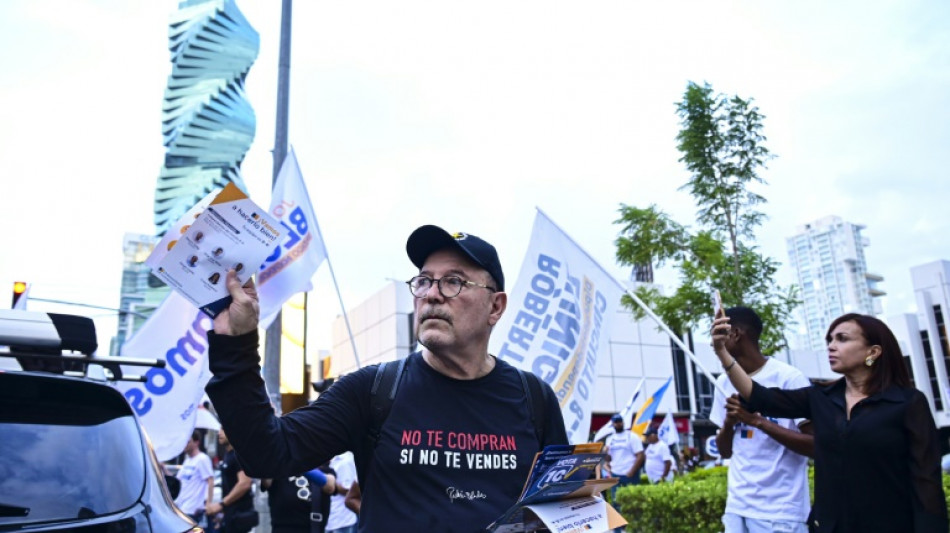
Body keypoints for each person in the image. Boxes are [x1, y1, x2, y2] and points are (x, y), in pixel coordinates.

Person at [205, 225, 568, 532]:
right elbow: (268, 454)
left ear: (496, 306)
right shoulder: (372, 390)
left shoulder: (534, 398)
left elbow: (563, 509)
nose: (432, 294)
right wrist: (234, 344)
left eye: (454, 282)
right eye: (424, 281)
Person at [712, 311, 948, 532]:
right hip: (830, 525)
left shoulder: (907, 403)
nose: (831, 346)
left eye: (842, 339)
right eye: (829, 340)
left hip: (889, 523)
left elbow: (926, 480)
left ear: (873, 352)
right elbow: (759, 396)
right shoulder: (820, 398)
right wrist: (722, 352)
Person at [709, 306, 814, 533]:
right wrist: (729, 422)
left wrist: (758, 421)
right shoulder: (723, 383)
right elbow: (725, 451)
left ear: (735, 334)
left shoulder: (789, 378)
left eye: (719, 333)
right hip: (737, 508)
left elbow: (815, 446)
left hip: (781, 512)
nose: (713, 342)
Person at [205, 428, 258, 533]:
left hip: (239, 517)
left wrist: (221, 505)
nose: (219, 433)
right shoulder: (228, 455)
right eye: (219, 429)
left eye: (224, 429)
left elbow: (245, 483)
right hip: (230, 517)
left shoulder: (238, 455)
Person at [261, 463, 337, 533]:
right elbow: (266, 482)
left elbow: (330, 486)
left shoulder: (324, 470)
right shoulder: (279, 469)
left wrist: (298, 463)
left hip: (312, 528)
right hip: (282, 527)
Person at [173, 430, 214, 525]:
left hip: (193, 510)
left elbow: (210, 480)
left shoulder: (202, 459)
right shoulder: (187, 461)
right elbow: (177, 480)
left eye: (188, 441)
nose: (185, 444)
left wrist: (208, 504)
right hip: (182, 508)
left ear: (196, 443)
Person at [603, 413, 644, 499]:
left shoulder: (631, 436)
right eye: (616, 422)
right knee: (616, 501)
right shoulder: (610, 439)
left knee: (633, 500)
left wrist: (632, 471)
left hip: (630, 474)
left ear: (623, 422)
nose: (618, 423)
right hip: (616, 474)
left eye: (620, 421)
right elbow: (609, 459)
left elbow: (640, 455)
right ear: (613, 424)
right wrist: (605, 453)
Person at [326, 452, 359, 533]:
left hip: (342, 520)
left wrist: (328, 483)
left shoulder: (346, 460)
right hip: (328, 519)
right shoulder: (327, 458)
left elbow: (349, 489)